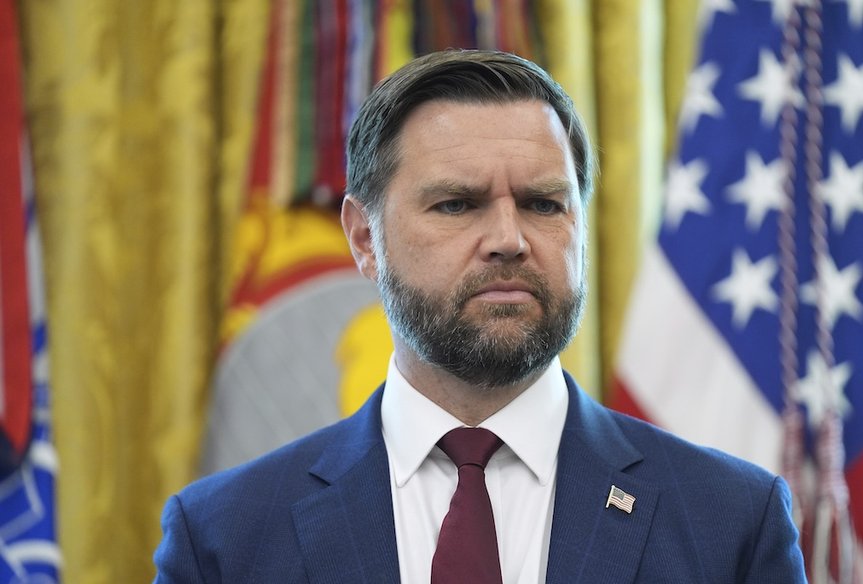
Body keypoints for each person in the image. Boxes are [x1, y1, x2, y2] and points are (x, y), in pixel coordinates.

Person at [153, 49, 806, 583]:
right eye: (458, 204)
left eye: (544, 204)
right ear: (363, 239)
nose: (509, 238)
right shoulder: (224, 537)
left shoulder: (731, 522)